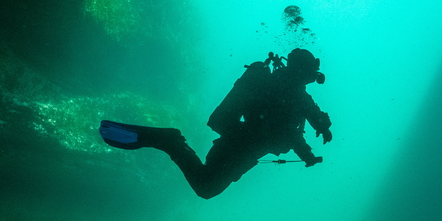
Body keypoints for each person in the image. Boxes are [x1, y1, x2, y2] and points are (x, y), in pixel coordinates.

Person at [100, 48, 332, 199]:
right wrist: (308, 154)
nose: (314, 78)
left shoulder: (285, 88)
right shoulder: (294, 95)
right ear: (303, 71)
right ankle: (169, 141)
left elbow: (291, 127)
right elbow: (289, 131)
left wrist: (310, 147)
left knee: (206, 185)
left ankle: (169, 142)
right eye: (312, 73)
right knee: (206, 187)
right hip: (242, 146)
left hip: (239, 141)